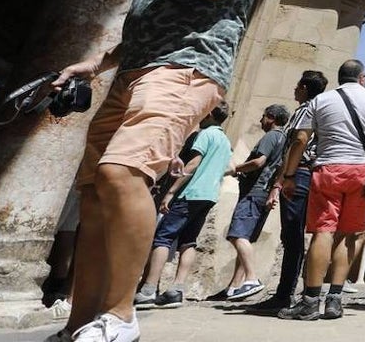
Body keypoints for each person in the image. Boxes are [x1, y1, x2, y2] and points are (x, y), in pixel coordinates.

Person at [47, 0, 272, 342]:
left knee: (121, 173)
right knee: (94, 196)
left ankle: (121, 314)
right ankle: (80, 322)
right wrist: (97, 65)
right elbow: (156, 17)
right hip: (132, 73)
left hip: (185, 71)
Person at [276, 59, 365, 321]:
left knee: (323, 231)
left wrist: (288, 175)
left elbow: (301, 139)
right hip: (361, 172)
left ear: (339, 77)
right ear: (361, 77)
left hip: (328, 169)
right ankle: (334, 300)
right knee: (349, 234)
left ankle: (310, 301)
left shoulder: (321, 101)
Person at [134, 103, 233, 308]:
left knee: (163, 237)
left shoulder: (205, 134)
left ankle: (148, 290)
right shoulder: (225, 140)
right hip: (209, 195)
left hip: (191, 193)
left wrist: (171, 192)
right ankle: (177, 289)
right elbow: (230, 168)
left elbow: (193, 164)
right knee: (188, 241)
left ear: (211, 115)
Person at [250, 70, 328, 314]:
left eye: (297, 86)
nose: (294, 90)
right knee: (296, 237)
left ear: (304, 88)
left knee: (292, 237)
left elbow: (297, 143)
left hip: (299, 173)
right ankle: (296, 292)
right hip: (308, 174)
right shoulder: (320, 109)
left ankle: (286, 294)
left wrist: (283, 179)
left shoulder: (305, 110)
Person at [218, 103, 290, 300]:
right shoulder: (285, 139)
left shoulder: (271, 136)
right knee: (246, 239)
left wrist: (235, 169)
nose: (261, 121)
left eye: (264, 116)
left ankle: (251, 279)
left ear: (272, 118)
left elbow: (259, 162)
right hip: (264, 193)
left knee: (237, 235)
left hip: (254, 191)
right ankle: (235, 286)